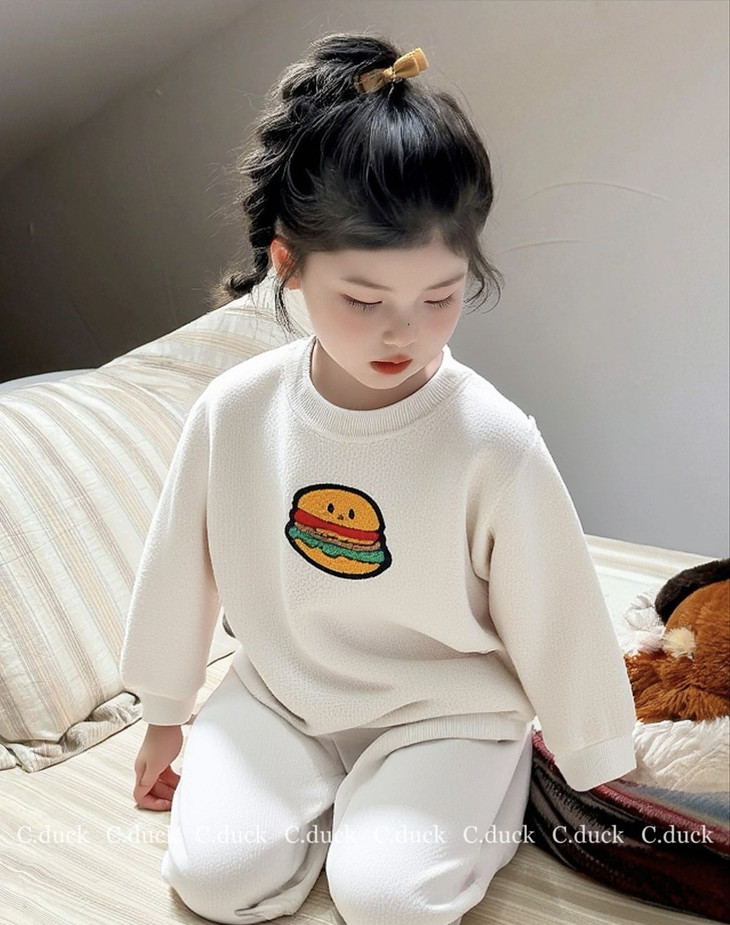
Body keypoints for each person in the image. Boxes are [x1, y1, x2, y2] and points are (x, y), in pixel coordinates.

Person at [119, 32, 637, 925]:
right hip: (281, 696)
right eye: (364, 300)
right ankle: (329, 808)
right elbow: (179, 567)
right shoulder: (236, 410)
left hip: (447, 714)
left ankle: (473, 789)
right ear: (287, 265)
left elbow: (557, 603)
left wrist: (595, 754)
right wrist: (165, 712)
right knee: (213, 878)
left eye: (440, 296)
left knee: (387, 899)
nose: (405, 332)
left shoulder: (492, 439)